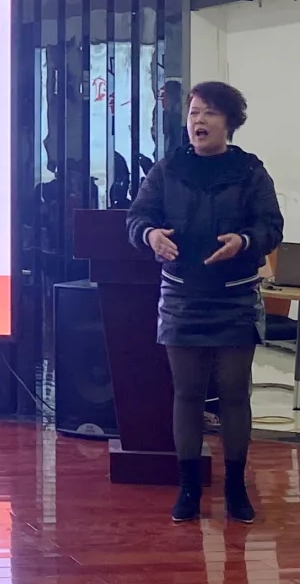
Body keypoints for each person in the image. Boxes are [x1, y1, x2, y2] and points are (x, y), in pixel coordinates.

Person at [126, 81, 283, 524]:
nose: (198, 120)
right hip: (182, 295)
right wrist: (150, 235)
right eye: (194, 112)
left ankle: (235, 487)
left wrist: (244, 241)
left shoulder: (250, 171)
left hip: (234, 296)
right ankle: (188, 487)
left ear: (229, 122)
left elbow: (271, 226)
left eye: (209, 112)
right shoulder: (168, 169)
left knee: (233, 392)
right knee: (188, 392)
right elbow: (137, 218)